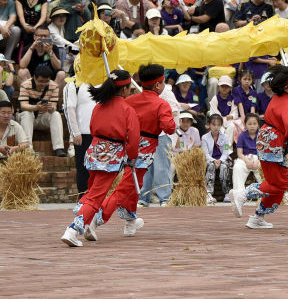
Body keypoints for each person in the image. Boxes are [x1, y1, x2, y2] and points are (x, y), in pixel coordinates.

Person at [60, 70, 139, 247]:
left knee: (91, 192)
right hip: (111, 156)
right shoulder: (127, 109)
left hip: (94, 150)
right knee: (96, 196)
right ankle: (73, 229)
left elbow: (93, 126)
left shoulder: (99, 105)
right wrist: (132, 158)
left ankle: (85, 221)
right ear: (125, 90)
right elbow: (133, 139)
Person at [97, 64, 175, 236]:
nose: (163, 86)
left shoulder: (130, 100)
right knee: (126, 186)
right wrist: (170, 115)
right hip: (145, 150)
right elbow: (169, 128)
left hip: (125, 146)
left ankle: (130, 220)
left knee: (135, 183)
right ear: (157, 85)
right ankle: (97, 218)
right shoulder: (161, 104)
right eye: (162, 83)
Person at [228, 64, 288, 228]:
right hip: (273, 142)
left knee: (279, 186)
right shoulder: (285, 102)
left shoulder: (281, 99)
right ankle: (243, 194)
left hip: (269, 140)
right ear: (287, 87)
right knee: (278, 184)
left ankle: (258, 217)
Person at [16, 65, 65, 157]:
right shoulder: (25, 85)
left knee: (56, 114)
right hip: (28, 118)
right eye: (41, 81)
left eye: (46, 81)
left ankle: (59, 148)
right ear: (34, 77)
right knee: (26, 114)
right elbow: (23, 106)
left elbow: (54, 106)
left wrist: (51, 107)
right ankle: (28, 149)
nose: (43, 84)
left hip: (43, 117)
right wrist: (36, 107)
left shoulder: (54, 86)